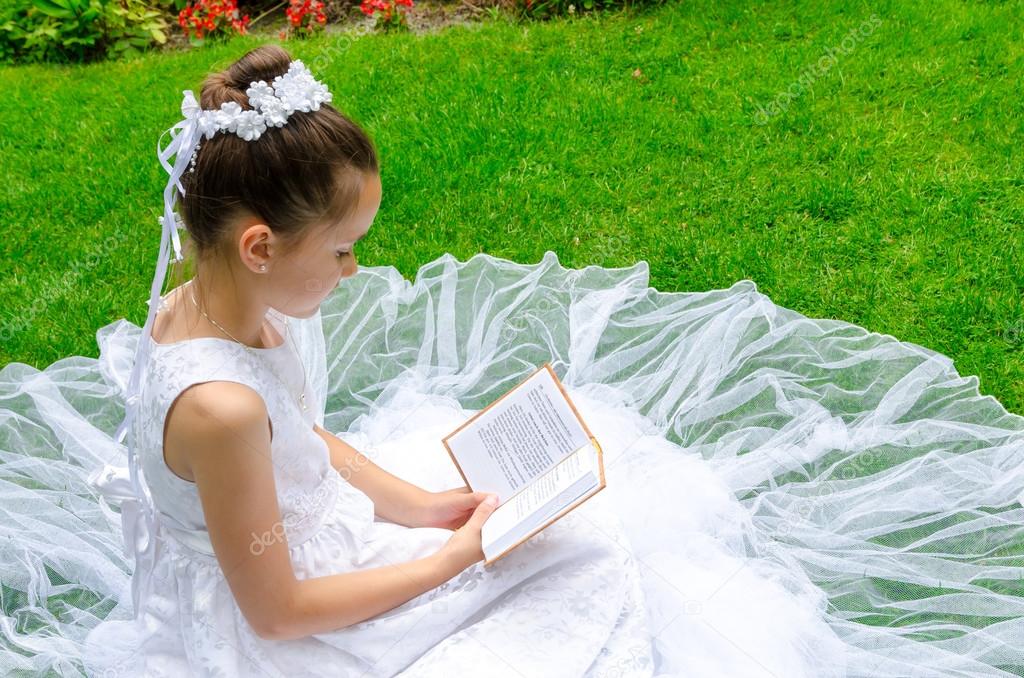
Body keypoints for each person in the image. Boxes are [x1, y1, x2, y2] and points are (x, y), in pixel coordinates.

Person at [0, 43, 1021, 678]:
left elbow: (303, 440)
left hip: (304, 542)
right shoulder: (214, 405)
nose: (357, 271)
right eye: (344, 250)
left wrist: (423, 507)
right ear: (261, 244)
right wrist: (447, 562)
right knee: (581, 575)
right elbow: (276, 612)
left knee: (568, 532)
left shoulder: (218, 299)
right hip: (288, 629)